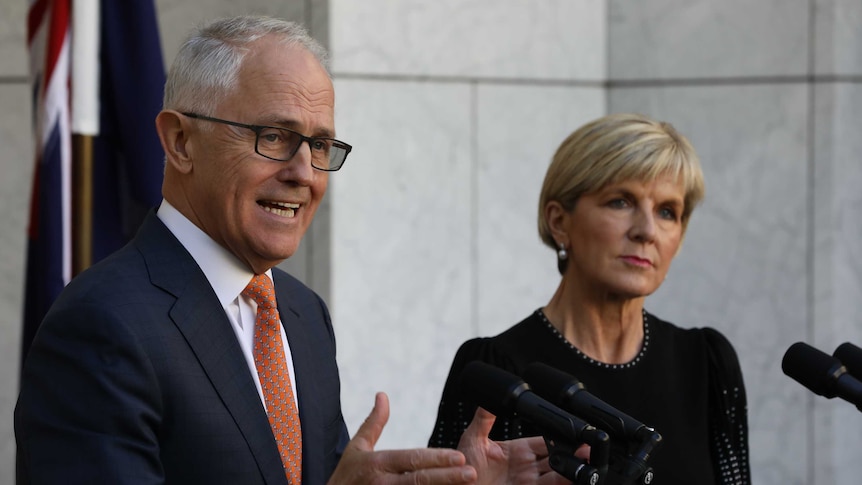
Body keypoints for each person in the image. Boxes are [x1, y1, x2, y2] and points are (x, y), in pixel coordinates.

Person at [15, 15, 568, 485]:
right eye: (273, 137)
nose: (304, 173)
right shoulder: (102, 324)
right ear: (180, 142)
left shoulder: (302, 315)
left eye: (321, 144)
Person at [429, 113, 751, 484]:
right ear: (559, 221)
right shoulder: (495, 369)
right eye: (620, 202)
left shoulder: (706, 362)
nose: (647, 231)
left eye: (667, 212)